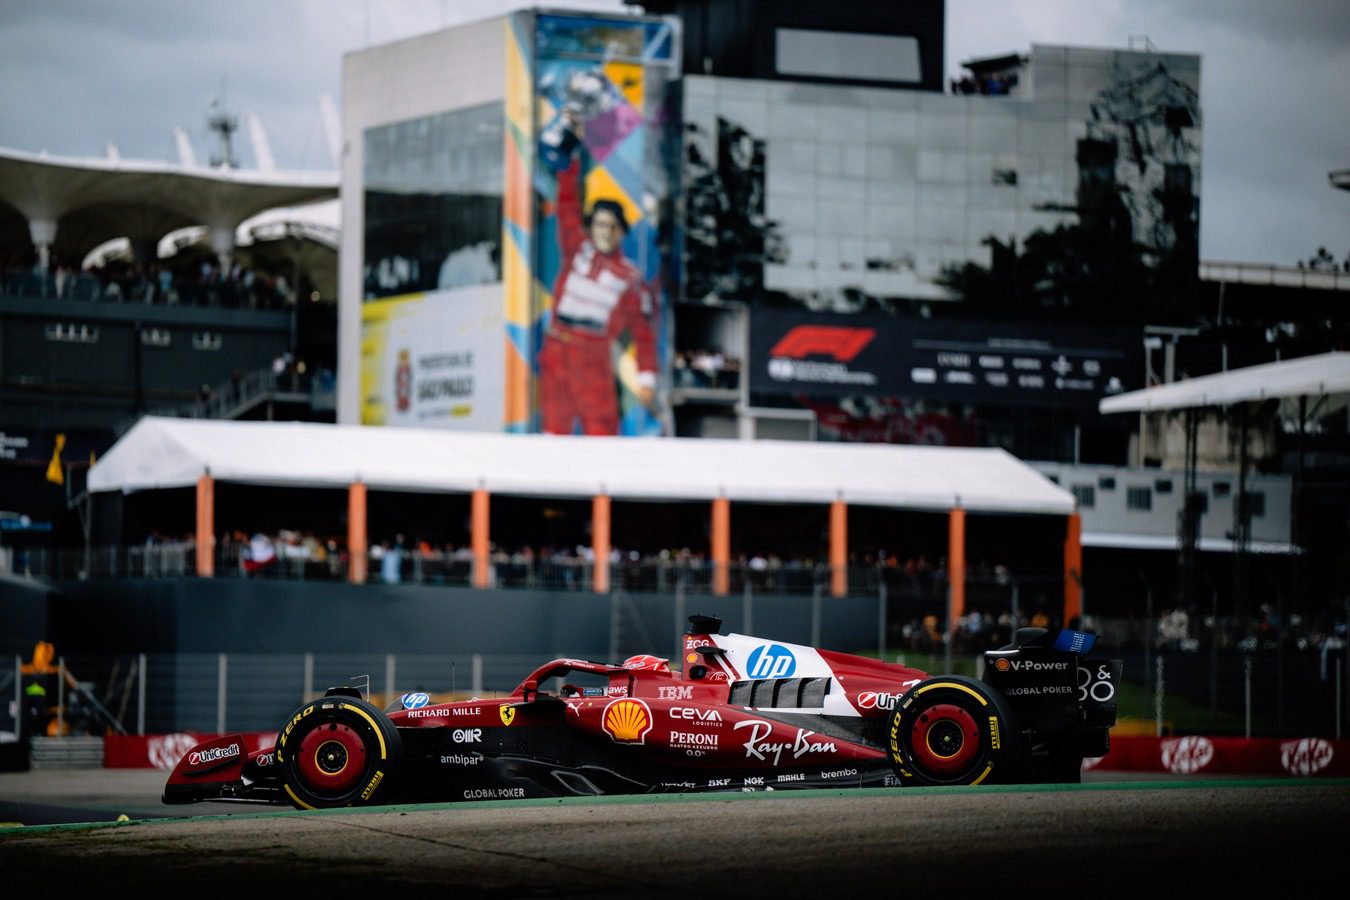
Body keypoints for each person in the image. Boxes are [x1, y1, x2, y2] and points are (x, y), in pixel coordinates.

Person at [537, 137, 657, 435]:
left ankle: (602, 481)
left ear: (621, 233)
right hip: (557, 346)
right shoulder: (577, 248)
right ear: (591, 228)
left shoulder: (627, 276)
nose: (606, 232)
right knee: (553, 431)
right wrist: (570, 165)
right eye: (600, 225)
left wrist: (646, 378)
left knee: (601, 431)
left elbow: (642, 331)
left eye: (613, 227)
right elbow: (567, 208)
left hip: (592, 355)